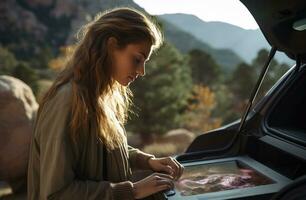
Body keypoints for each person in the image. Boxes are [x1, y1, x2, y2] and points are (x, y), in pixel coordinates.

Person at [27, 7, 184, 200]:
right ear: (111, 46)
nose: (142, 71)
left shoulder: (100, 97)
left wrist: (148, 161)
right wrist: (132, 190)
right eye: (137, 59)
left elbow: (106, 150)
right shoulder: (66, 102)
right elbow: (56, 193)